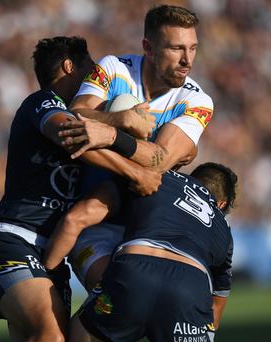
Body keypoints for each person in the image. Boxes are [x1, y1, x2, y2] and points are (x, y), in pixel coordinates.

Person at [0, 36, 159, 342]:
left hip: (50, 254)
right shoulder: (40, 102)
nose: (95, 77)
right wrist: (130, 156)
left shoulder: (92, 121)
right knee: (51, 339)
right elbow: (71, 133)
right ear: (69, 67)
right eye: (90, 68)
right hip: (14, 239)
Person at [61, 4, 215, 296]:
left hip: (150, 228)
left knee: (159, 312)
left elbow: (158, 162)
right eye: (176, 48)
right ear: (149, 47)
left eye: (193, 48)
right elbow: (73, 118)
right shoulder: (114, 69)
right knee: (114, 300)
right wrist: (119, 119)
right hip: (97, 225)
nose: (187, 60)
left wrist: (110, 134)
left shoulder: (196, 102)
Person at [43, 162, 237, 342]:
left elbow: (78, 217)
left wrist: (47, 272)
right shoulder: (223, 226)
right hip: (190, 284)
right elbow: (214, 310)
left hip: (135, 271)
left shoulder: (156, 178)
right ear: (222, 204)